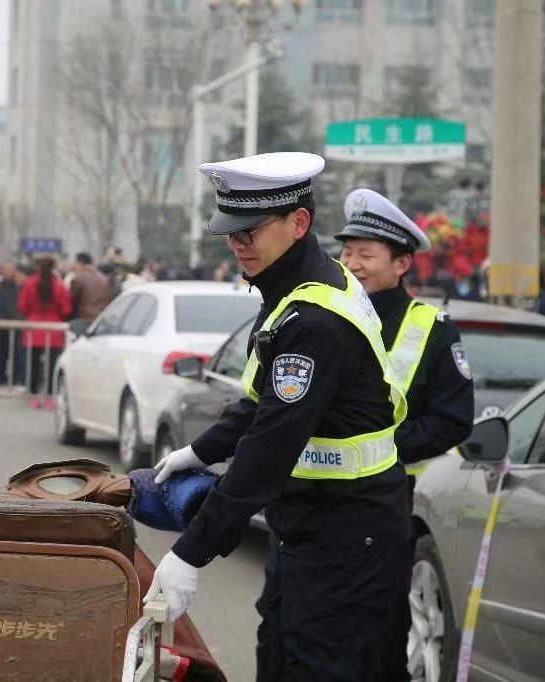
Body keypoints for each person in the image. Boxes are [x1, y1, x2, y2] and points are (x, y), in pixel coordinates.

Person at [145, 153, 411, 681]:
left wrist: (191, 554)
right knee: (281, 657)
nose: (238, 244)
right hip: (311, 525)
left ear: (300, 223)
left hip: (349, 533)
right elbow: (260, 403)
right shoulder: (295, 286)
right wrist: (199, 451)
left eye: (251, 231)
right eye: (230, 232)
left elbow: (269, 447)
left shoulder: (311, 319)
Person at [336, 189, 476, 676]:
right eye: (347, 252)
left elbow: (454, 419)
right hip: (313, 504)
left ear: (401, 264)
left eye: (365, 254)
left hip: (386, 505)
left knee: (374, 640)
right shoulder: (328, 313)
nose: (352, 263)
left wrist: (385, 451)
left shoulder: (431, 329)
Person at [17, 256, 71, 409]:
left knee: (33, 365)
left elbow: (22, 306)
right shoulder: (59, 285)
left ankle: (34, 395)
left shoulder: (30, 283)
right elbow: (66, 308)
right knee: (52, 366)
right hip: (53, 331)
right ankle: (49, 396)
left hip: (34, 330)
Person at [0, 261, 27, 385]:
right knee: (0, 353)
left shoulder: (19, 287)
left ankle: (16, 378)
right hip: (0, 325)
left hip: (16, 326)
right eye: (6, 270)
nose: (8, 273)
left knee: (17, 353)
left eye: (11, 270)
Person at [69, 252, 112, 324]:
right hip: (102, 319)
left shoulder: (78, 278)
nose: (73, 266)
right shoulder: (102, 278)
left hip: (85, 319)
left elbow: (72, 301)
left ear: (80, 264)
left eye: (75, 264)